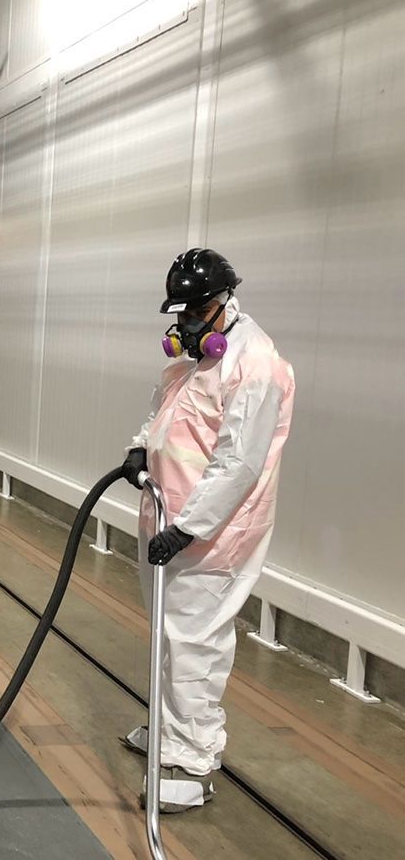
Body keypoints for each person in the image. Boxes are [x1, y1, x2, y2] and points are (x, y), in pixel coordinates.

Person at [121, 248, 294, 813]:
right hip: (166, 521)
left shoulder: (256, 364)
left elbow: (239, 463)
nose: (188, 326)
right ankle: (169, 735)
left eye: (197, 313)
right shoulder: (192, 358)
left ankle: (195, 766)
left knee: (195, 645)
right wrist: (138, 445)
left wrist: (190, 528)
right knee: (166, 638)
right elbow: (165, 408)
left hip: (213, 537)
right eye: (182, 316)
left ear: (223, 303)